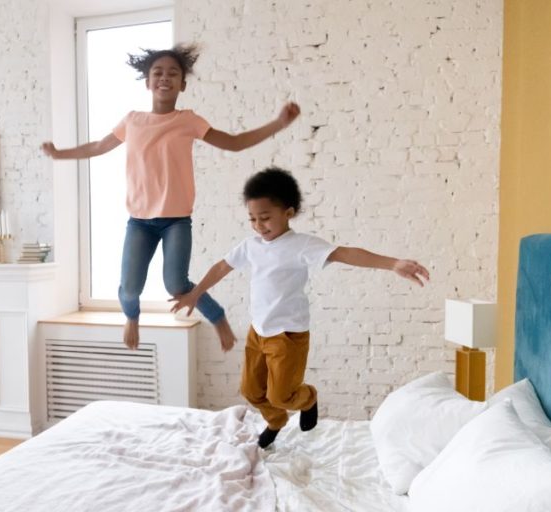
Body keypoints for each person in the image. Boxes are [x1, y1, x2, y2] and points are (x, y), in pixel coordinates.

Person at [41, 44, 300, 351]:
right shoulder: (132, 120)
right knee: (130, 288)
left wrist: (278, 123)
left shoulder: (188, 120)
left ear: (183, 84)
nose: (165, 77)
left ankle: (218, 318)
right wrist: (60, 154)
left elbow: (234, 143)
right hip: (139, 221)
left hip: (176, 220)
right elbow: (98, 146)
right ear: (148, 82)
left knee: (176, 285)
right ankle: (131, 317)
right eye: (158, 73)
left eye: (173, 73)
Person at [170, 167, 430, 448]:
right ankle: (276, 421)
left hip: (288, 335)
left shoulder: (301, 245)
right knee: (251, 391)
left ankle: (308, 398)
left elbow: (344, 253)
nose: (258, 226)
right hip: (258, 332)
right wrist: (195, 293)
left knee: (281, 395)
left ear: (288, 213)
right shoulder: (250, 246)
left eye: (265, 218)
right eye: (252, 219)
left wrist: (393, 263)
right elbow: (222, 267)